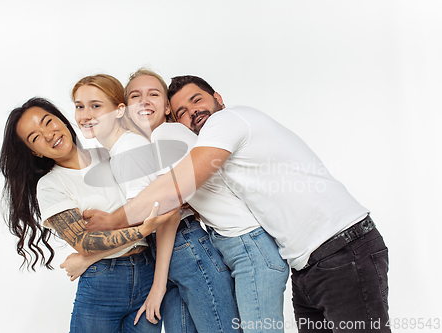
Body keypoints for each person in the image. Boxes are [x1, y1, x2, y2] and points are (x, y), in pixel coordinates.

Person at [86, 75, 391, 333]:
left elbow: (175, 189)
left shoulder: (226, 121)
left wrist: (113, 221)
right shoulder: (203, 142)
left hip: (341, 247)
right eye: (182, 111)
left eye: (197, 100)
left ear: (218, 97)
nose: (192, 112)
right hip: (305, 262)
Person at [62, 71, 240, 333]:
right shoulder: (133, 146)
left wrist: (156, 285)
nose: (144, 102)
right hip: (169, 254)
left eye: (154, 94)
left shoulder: (146, 142)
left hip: (184, 247)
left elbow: (166, 213)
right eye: (136, 96)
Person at [0, 96, 176, 333]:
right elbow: (85, 242)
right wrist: (143, 229)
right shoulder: (51, 185)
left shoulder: (111, 153)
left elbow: (159, 200)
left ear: (62, 120)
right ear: (34, 152)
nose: (48, 134)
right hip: (103, 281)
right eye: (35, 137)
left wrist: (87, 258)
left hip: (148, 271)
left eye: (48, 122)